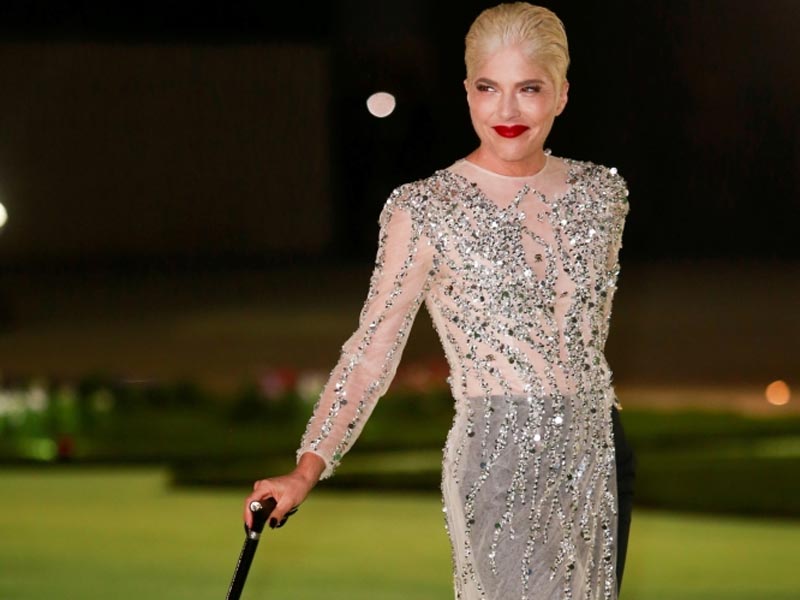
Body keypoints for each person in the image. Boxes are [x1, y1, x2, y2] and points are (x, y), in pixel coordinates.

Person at [246, 3, 635, 598]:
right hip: (499, 458)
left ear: (561, 94)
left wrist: (592, 434)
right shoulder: (425, 208)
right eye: (488, 88)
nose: (506, 111)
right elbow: (372, 350)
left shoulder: (601, 194)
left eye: (529, 89)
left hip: (598, 453)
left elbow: (582, 336)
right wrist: (306, 469)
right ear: (467, 92)